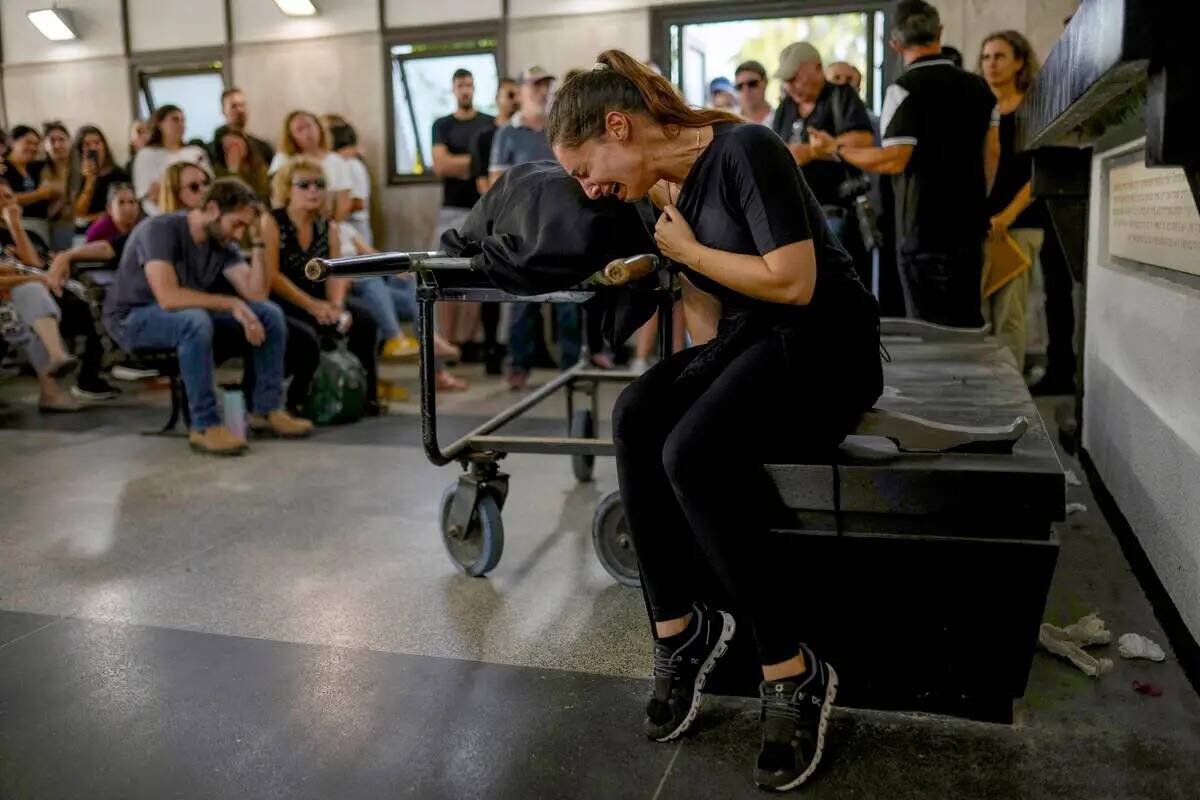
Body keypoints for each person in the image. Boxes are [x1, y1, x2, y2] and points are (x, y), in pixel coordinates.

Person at [549, 49, 882, 792]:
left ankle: (790, 668)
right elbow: (711, 327)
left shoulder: (746, 149)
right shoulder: (658, 195)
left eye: (584, 167)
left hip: (828, 343)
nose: (589, 186)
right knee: (637, 413)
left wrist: (689, 250)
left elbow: (793, 283)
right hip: (753, 339)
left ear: (618, 125)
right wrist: (678, 270)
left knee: (693, 453)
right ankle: (678, 628)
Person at [812, 0, 1000, 328]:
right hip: (971, 226)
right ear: (939, 31)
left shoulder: (903, 89)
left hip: (924, 228)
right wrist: (979, 204)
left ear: (895, 44)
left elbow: (894, 158)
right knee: (968, 324)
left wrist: (836, 149)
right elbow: (992, 155)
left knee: (929, 332)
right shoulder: (980, 87)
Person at [102, 178, 312, 454]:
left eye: (245, 228)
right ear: (213, 209)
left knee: (269, 314)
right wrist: (229, 304)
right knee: (195, 320)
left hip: (182, 316)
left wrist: (260, 242)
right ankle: (204, 426)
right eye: (237, 224)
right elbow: (168, 297)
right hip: (133, 319)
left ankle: (266, 410)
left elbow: (256, 294)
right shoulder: (160, 230)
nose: (239, 235)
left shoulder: (222, 242)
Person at [261, 157, 381, 417]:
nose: (313, 190)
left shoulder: (328, 226)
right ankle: (295, 401)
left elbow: (335, 272)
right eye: (304, 184)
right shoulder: (272, 221)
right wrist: (312, 306)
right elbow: (272, 275)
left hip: (321, 299)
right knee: (304, 334)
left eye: (319, 184)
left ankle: (365, 396)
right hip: (285, 299)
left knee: (365, 320)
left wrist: (337, 306)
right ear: (287, 189)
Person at [492, 65, 586, 390]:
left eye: (546, 84)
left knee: (569, 301)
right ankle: (518, 364)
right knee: (522, 301)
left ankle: (573, 367)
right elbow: (496, 182)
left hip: (561, 224)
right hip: (521, 228)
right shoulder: (507, 132)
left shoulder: (561, 127)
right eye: (535, 85)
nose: (542, 90)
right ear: (520, 90)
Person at [771, 43, 875, 285]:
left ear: (817, 68)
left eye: (795, 78)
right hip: (795, 217)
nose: (790, 86)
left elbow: (864, 140)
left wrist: (812, 151)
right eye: (787, 80)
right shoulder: (786, 107)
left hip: (834, 213)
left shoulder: (841, 96)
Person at [979, 30, 1042, 373]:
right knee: (977, 317)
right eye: (986, 57)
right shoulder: (978, 108)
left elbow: (1040, 174)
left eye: (1000, 56)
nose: (991, 65)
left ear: (1019, 62)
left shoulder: (1032, 108)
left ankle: (1009, 398)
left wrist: (1006, 215)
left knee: (1010, 317)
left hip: (1019, 223)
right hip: (980, 224)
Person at [0, 178, 85, 411]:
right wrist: (34, 278)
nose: (8, 203)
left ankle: (56, 376)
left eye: (10, 196)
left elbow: (34, 264)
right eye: (2, 198)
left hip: (14, 300)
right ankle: (53, 379)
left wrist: (16, 227)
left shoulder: (13, 232)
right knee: (33, 293)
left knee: (34, 308)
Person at [431, 69, 495, 357]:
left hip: (481, 209)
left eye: (469, 84)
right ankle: (449, 343)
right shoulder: (442, 125)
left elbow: (493, 164)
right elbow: (441, 166)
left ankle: (468, 344)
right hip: (451, 209)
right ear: (453, 89)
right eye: (460, 85)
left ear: (474, 87)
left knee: (475, 274)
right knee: (442, 273)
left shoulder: (487, 123)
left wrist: (463, 164)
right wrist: (478, 162)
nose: (465, 90)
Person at [468, 77, 520, 374]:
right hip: (494, 215)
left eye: (516, 95)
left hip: (523, 219)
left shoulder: (528, 133)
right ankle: (490, 346)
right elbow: (483, 183)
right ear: (498, 97)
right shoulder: (484, 137)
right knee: (492, 280)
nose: (513, 100)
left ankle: (520, 348)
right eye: (508, 95)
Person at [268, 111, 352, 224]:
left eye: (310, 126)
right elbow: (277, 197)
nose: (308, 132)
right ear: (291, 136)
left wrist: (328, 228)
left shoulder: (336, 161)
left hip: (329, 223)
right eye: (300, 129)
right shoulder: (283, 159)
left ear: (319, 127)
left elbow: (344, 202)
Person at [132, 105, 211, 216]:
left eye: (183, 120)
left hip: (197, 212)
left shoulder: (196, 152)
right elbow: (145, 194)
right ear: (159, 124)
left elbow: (209, 184)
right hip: (161, 215)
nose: (180, 124)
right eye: (175, 119)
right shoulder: (146, 155)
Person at [71, 125, 131, 231]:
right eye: (87, 144)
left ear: (104, 147)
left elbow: (126, 209)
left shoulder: (120, 175)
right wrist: (90, 180)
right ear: (81, 150)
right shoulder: (75, 177)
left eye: (97, 143)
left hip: (114, 230)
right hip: (83, 232)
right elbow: (77, 214)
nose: (93, 148)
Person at [5, 126, 59, 233]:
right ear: (12, 142)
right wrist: (39, 194)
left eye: (36, 144)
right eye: (28, 142)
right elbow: (5, 200)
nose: (33, 148)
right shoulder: (3, 168)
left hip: (42, 226)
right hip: (14, 228)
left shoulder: (36, 167)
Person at [211, 88, 275, 167]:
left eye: (242, 105)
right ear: (223, 111)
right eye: (234, 106)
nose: (240, 110)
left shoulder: (263, 148)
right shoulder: (213, 151)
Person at [41, 122, 75, 250]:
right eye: (52, 141)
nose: (58, 145)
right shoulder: (42, 172)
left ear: (70, 142)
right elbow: (47, 214)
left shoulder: (79, 169)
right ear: (45, 146)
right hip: (53, 230)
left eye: (62, 139)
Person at [211, 128, 269, 203]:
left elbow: (261, 197)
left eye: (237, 143)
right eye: (229, 146)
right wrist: (233, 171)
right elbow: (231, 199)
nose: (235, 149)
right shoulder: (219, 172)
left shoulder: (259, 166)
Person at [734, 60, 773, 126]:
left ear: (765, 83)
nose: (746, 90)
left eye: (752, 84)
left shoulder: (781, 118)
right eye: (740, 86)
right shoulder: (731, 122)